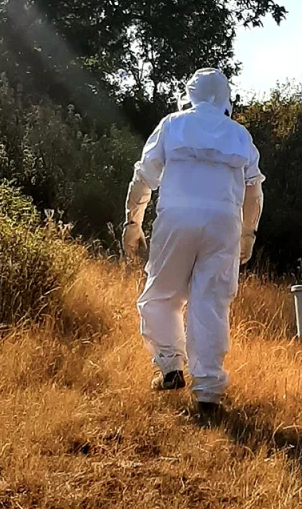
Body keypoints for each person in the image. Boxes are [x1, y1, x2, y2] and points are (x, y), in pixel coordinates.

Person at [122, 68, 264, 410]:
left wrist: (132, 223)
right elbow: (254, 190)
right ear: (225, 97)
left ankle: (170, 366)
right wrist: (249, 234)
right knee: (211, 302)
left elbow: (143, 179)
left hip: (176, 219)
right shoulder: (240, 135)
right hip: (224, 224)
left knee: (161, 295)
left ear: (191, 94)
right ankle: (208, 388)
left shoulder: (172, 124)